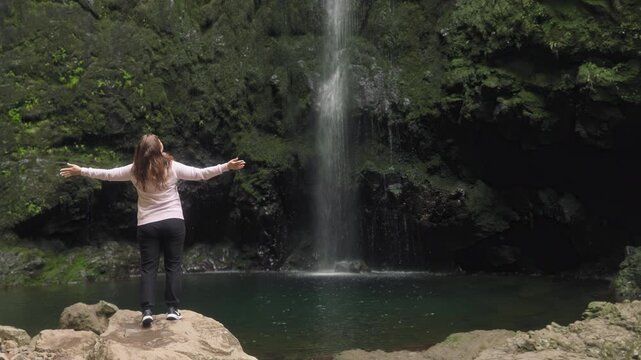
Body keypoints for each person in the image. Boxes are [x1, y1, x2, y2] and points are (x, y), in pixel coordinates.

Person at [59, 134, 245, 327]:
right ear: (159, 148)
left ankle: (147, 311)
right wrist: (226, 167)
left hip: (148, 224)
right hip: (173, 221)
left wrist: (80, 171)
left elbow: (107, 174)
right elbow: (201, 174)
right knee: (173, 265)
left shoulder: (134, 170)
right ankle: (172, 309)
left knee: (148, 268)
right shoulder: (171, 166)